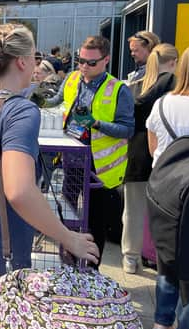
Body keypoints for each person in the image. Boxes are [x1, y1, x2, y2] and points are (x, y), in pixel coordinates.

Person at [0, 24, 99, 329]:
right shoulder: (20, 111)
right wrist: (68, 238)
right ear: (23, 62)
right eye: (35, 55)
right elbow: (20, 191)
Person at [45, 36, 134, 266]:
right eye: (80, 60)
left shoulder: (118, 90)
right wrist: (40, 100)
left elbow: (127, 129)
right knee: (67, 215)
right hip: (71, 157)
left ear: (106, 60)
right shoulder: (74, 78)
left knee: (95, 222)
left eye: (91, 63)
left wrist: (95, 124)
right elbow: (57, 100)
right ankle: (68, 265)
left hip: (101, 168)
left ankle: (91, 274)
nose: (84, 66)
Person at [146, 46, 189, 329]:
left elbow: (153, 149)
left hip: (164, 190)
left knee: (167, 261)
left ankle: (162, 323)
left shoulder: (163, 103)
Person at [122, 43, 178, 275]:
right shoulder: (173, 85)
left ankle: (130, 257)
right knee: (165, 210)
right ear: (174, 62)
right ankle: (159, 257)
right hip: (164, 154)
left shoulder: (134, 85)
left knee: (132, 209)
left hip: (135, 152)